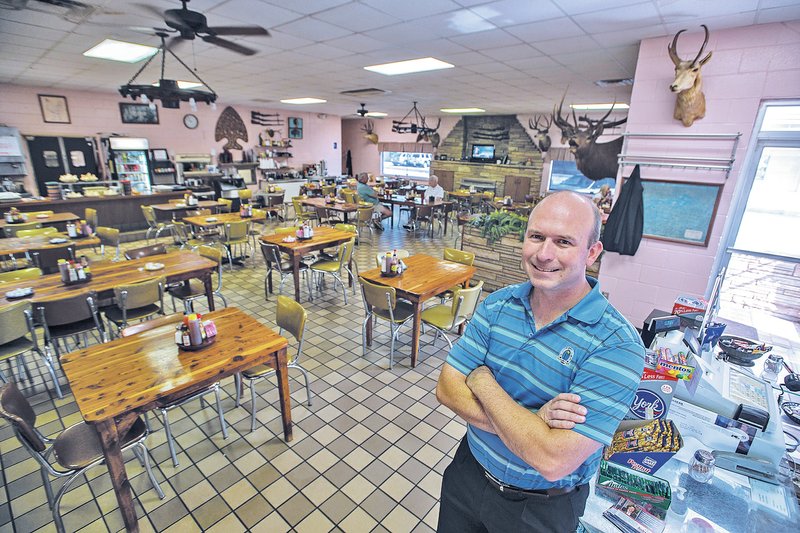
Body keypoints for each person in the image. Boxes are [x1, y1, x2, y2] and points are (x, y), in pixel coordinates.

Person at [436, 191, 645, 533]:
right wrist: (535, 425)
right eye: (536, 237)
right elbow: (446, 388)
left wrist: (483, 382)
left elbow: (553, 459)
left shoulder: (617, 345)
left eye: (563, 241)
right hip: (467, 475)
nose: (544, 254)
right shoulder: (497, 306)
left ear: (592, 253)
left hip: (542, 508)